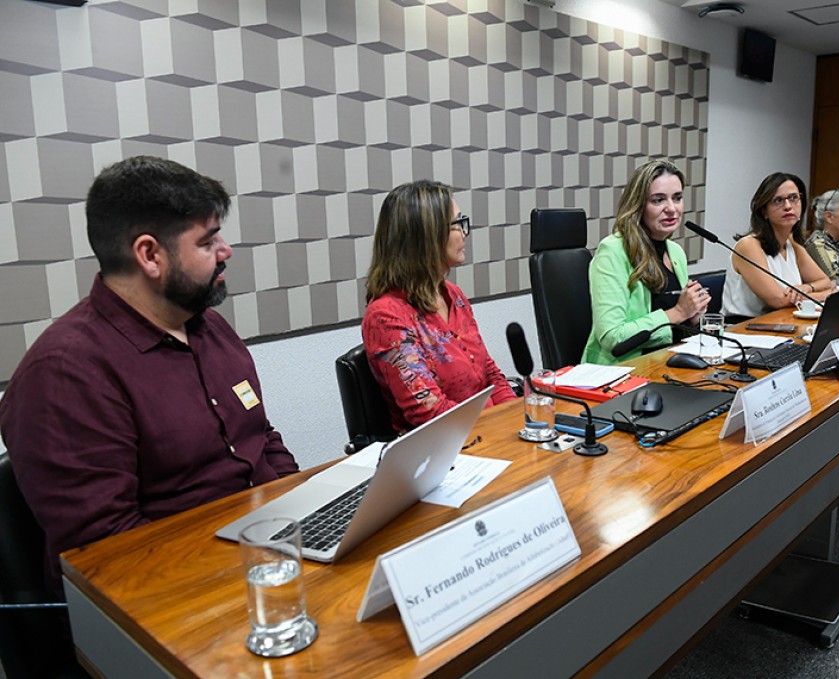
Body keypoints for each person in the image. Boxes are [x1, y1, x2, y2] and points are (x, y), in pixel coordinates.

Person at [0, 156, 299, 596]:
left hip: (267, 559)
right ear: (150, 255)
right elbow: (112, 554)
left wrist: (302, 516)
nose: (225, 251)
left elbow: (261, 437)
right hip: (177, 594)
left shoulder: (209, 328)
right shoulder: (65, 374)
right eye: (207, 241)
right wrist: (252, 569)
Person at [362, 180, 516, 433]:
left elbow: (489, 373)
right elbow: (431, 412)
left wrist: (516, 417)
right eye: (457, 224)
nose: (464, 232)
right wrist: (499, 427)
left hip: (489, 430)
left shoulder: (454, 295)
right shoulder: (386, 317)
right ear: (426, 237)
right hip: (448, 444)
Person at [583, 159, 710, 364]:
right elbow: (612, 338)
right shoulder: (612, 251)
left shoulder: (675, 252)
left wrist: (693, 316)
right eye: (658, 200)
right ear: (638, 205)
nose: (672, 208)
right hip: (625, 370)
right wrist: (678, 312)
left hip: (671, 362)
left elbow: (675, 328)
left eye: (677, 198)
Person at [721, 172, 833, 322]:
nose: (788, 206)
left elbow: (825, 282)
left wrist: (808, 288)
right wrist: (824, 295)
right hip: (744, 327)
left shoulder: (792, 244)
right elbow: (779, 301)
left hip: (781, 321)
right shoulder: (748, 246)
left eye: (793, 198)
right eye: (778, 200)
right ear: (764, 211)